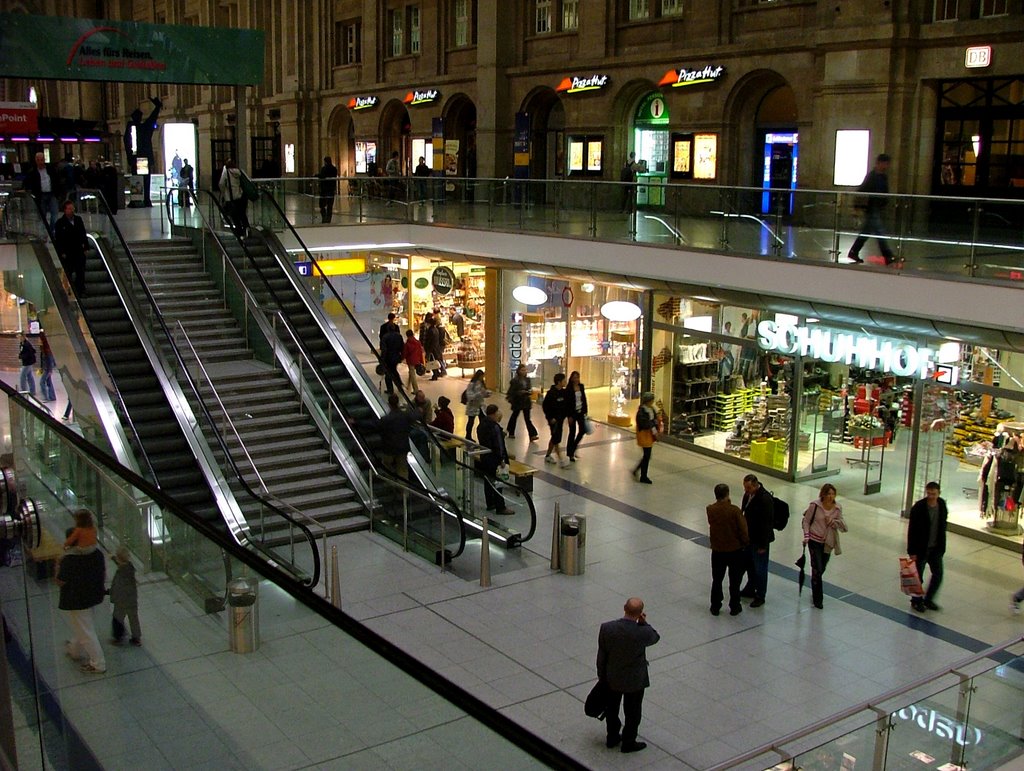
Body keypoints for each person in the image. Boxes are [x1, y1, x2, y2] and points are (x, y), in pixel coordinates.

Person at [596, 597, 660, 754]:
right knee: (633, 712)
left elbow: (601, 656)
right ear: (640, 613)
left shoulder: (607, 628)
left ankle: (612, 736)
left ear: (624, 607)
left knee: (612, 708)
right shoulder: (643, 632)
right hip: (635, 680)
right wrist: (644, 623)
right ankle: (628, 741)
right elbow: (655, 637)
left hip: (612, 677)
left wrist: (602, 676)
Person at [56, 513, 107, 674]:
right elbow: (103, 574)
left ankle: (98, 663)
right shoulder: (96, 553)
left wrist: (58, 565)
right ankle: (74, 650)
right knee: (83, 626)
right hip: (93, 595)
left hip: (77, 599)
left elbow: (60, 580)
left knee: (85, 631)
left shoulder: (69, 560)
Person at [801, 483, 848, 609]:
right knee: (817, 568)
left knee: (821, 568)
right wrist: (806, 536)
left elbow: (843, 525)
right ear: (823, 494)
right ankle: (818, 598)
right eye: (828, 494)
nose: (830, 497)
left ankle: (815, 583)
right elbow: (806, 521)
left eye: (833, 494)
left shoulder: (837, 508)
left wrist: (833, 522)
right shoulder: (815, 506)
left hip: (827, 542)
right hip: (814, 540)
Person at [707, 484, 749, 617]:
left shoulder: (710, 509)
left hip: (718, 550)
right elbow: (743, 530)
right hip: (734, 550)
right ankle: (735, 606)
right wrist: (745, 543)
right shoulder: (734, 511)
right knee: (734, 580)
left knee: (717, 579)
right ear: (727, 494)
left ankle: (715, 605)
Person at [907, 481, 948, 613]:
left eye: (934, 494)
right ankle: (916, 601)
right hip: (920, 549)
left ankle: (928, 599)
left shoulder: (941, 505)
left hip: (936, 548)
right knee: (918, 576)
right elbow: (912, 530)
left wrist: (942, 546)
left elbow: (943, 525)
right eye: (929, 493)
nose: (931, 496)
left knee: (938, 574)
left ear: (938, 493)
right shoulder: (918, 508)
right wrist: (911, 551)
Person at [847, 153, 895, 265]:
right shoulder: (873, 176)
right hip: (872, 207)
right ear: (879, 163)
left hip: (876, 207)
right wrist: (858, 206)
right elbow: (863, 190)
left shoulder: (883, 176)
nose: (887, 166)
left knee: (867, 231)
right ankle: (887, 255)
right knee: (879, 232)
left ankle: (854, 251)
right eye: (885, 163)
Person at [739, 474, 774, 607]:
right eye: (745, 487)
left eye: (748, 487)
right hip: (748, 538)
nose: (746, 490)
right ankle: (750, 588)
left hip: (759, 540)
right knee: (749, 565)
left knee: (760, 568)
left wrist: (763, 545)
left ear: (755, 485)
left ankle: (760, 594)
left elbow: (767, 524)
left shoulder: (765, 499)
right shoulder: (748, 495)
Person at [476, 404, 514, 515]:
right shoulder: (494, 427)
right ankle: (500, 506)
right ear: (494, 413)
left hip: (485, 457)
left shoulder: (481, 425)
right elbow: (498, 445)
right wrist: (501, 459)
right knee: (499, 482)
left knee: (488, 481)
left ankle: (490, 503)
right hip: (495, 459)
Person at [54, 200, 89, 296]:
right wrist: (62, 252)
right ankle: (70, 290)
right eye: (69, 208)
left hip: (79, 251)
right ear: (65, 210)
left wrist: (86, 247)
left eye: (72, 208)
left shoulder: (78, 220)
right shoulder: (60, 223)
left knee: (80, 272)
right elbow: (58, 239)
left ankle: (81, 290)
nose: (71, 210)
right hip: (68, 252)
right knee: (68, 272)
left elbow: (83, 233)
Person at [109, 546, 141, 646]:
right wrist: (114, 558)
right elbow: (121, 563)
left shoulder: (121, 572)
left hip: (121, 601)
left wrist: (111, 594)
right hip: (132, 600)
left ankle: (118, 637)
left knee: (117, 619)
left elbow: (118, 588)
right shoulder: (129, 567)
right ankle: (136, 637)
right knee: (134, 619)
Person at [378, 393, 414, 479]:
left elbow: (373, 425)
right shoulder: (405, 416)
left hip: (389, 448)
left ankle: (391, 480)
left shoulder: (385, 419)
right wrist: (419, 411)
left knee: (386, 464)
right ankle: (404, 490)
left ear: (389, 404)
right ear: (398, 403)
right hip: (402, 447)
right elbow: (415, 415)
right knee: (403, 469)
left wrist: (357, 423)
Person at [23, 151, 59, 232]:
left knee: (55, 214)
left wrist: (58, 192)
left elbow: (56, 180)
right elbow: (28, 182)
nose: (40, 162)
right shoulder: (33, 172)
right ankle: (43, 233)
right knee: (42, 216)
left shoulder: (50, 169)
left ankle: (51, 231)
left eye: (42, 160)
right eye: (38, 160)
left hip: (51, 194)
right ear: (36, 161)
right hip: (41, 195)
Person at [542, 373, 570, 468]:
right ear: (559, 382)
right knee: (556, 438)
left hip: (560, 419)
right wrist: (550, 418)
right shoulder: (551, 393)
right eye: (564, 381)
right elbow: (545, 407)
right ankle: (561, 459)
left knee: (555, 438)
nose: (565, 382)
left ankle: (548, 455)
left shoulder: (564, 392)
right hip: (554, 420)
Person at [505, 364, 539, 441]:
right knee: (514, 416)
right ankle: (511, 432)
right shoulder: (515, 381)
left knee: (527, 419)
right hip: (517, 401)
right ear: (519, 371)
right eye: (522, 370)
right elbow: (512, 391)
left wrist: (529, 392)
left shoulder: (527, 380)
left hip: (526, 401)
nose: (524, 372)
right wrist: (519, 392)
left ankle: (532, 434)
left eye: (525, 370)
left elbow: (529, 388)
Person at [219, 158, 250, 238]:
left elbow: (221, 183)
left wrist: (224, 192)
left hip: (231, 197)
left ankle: (239, 233)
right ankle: (247, 229)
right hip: (241, 196)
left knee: (234, 216)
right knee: (242, 214)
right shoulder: (239, 171)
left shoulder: (226, 172)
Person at [632, 392, 657, 484]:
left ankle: (639, 472)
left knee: (647, 455)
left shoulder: (651, 409)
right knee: (647, 455)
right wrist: (651, 424)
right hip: (644, 434)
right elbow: (643, 424)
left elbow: (654, 420)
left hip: (650, 434)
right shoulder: (641, 412)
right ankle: (643, 475)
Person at [565, 370, 589, 462]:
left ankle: (573, 448)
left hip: (580, 412)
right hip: (572, 413)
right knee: (572, 432)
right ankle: (570, 453)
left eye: (577, 377)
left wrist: (585, 411)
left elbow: (584, 399)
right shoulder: (569, 389)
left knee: (582, 430)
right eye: (574, 377)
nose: (576, 379)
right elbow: (567, 403)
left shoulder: (581, 386)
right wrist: (569, 415)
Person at [463, 369, 491, 440]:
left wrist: (486, 393)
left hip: (480, 406)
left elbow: (483, 394)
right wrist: (478, 394)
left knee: (482, 421)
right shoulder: (472, 384)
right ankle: (468, 436)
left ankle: (483, 436)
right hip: (473, 406)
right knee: (471, 422)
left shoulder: (481, 384)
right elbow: (470, 396)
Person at [380, 324, 405, 395]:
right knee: (394, 370)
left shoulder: (385, 337)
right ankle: (399, 385)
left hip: (388, 357)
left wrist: (382, 359)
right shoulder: (399, 336)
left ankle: (390, 389)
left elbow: (384, 349)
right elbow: (402, 347)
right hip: (396, 356)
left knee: (388, 374)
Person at [317, 156, 338, 223]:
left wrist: (316, 175)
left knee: (322, 205)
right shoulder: (334, 169)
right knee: (330, 205)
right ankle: (329, 219)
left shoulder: (324, 168)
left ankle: (324, 218)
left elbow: (322, 176)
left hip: (324, 189)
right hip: (331, 189)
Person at [402, 329, 424, 393]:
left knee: (412, 374)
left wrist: (402, 358)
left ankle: (416, 389)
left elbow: (405, 353)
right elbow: (420, 352)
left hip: (411, 360)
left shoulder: (407, 344)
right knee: (411, 373)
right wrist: (422, 361)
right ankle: (408, 386)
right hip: (417, 360)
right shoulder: (418, 342)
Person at [38, 331, 57, 402]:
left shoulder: (47, 350)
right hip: (45, 368)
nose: (38, 341)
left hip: (47, 369)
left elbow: (50, 360)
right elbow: (42, 359)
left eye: (39, 339)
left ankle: (46, 397)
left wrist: (50, 370)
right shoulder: (42, 349)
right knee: (49, 382)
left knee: (42, 382)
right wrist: (41, 368)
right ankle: (52, 397)